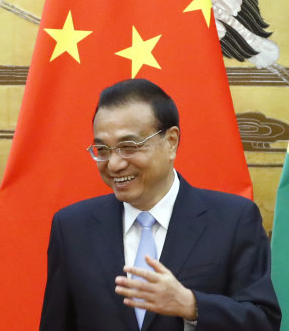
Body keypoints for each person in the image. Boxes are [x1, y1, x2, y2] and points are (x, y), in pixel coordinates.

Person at [39, 79, 281, 331]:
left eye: (128, 146)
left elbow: (263, 322)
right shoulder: (72, 227)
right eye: (102, 149)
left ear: (171, 142)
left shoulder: (234, 220)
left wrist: (192, 306)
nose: (113, 164)